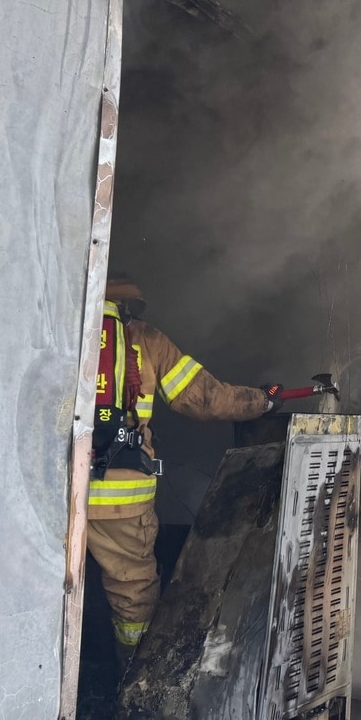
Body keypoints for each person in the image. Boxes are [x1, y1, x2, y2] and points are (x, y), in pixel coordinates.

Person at [89, 275, 277, 664]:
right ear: (127, 307)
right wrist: (263, 401)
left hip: (49, 494)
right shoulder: (145, 339)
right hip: (120, 500)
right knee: (132, 592)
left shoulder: (51, 334)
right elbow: (207, 399)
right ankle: (132, 680)